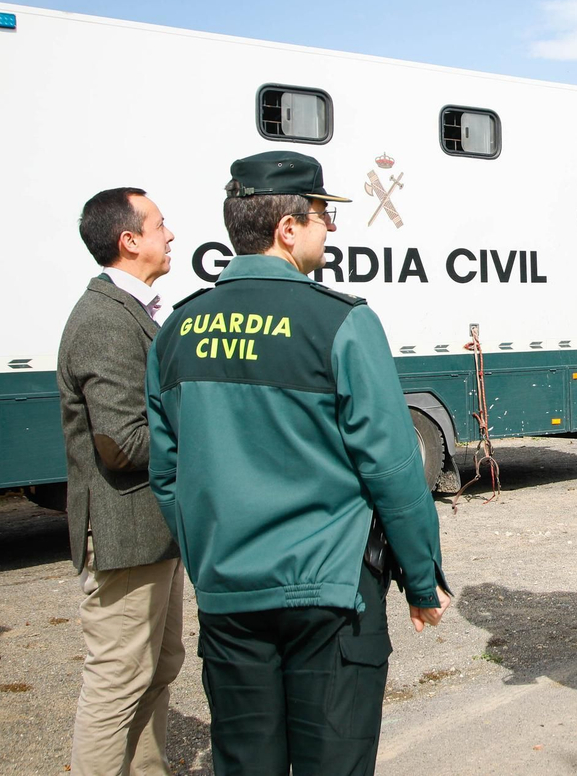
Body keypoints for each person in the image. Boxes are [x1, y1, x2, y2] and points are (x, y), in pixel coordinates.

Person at [146, 152, 448, 776]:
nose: (329, 229)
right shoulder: (342, 322)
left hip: (229, 591)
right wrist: (421, 579)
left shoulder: (176, 330)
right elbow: (393, 471)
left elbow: (168, 473)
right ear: (287, 229)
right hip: (331, 594)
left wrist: (212, 559)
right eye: (320, 217)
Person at [56, 188, 183, 776]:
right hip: (124, 530)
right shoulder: (106, 320)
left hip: (150, 531)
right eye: (159, 226)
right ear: (129, 241)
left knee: (159, 666)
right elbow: (123, 443)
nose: (171, 235)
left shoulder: (134, 309)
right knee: (117, 683)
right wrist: (203, 430)